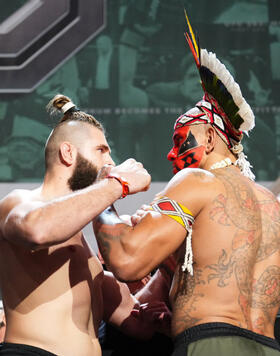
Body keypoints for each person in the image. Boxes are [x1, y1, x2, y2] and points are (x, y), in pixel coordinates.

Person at [93, 14, 280, 356]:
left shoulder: (198, 180)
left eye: (181, 140)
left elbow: (126, 260)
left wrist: (101, 191)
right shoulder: (272, 206)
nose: (171, 153)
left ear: (209, 137)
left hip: (211, 345)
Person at [0, 93, 162, 356]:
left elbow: (136, 324)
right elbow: (36, 230)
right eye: (101, 150)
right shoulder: (19, 201)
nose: (110, 162)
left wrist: (167, 265)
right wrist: (116, 184)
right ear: (68, 152)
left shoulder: (83, 248)